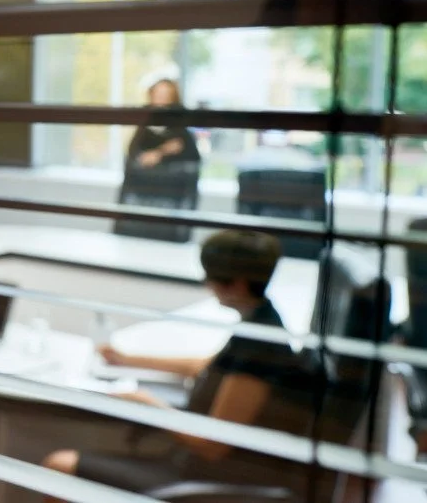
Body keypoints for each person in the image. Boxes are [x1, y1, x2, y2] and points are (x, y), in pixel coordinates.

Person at [41, 230, 316, 501]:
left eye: (209, 276)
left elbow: (212, 447)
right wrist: (127, 359)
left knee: (59, 467)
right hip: (188, 463)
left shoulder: (259, 352)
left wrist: (148, 405)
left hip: (202, 476)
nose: (206, 283)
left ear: (238, 284)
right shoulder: (259, 322)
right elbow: (203, 367)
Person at [115, 71, 202, 242]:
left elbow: (189, 154)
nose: (161, 99)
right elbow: (133, 152)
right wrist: (156, 153)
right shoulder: (145, 121)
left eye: (165, 95)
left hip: (171, 195)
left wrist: (160, 154)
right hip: (144, 193)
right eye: (157, 94)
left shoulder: (181, 123)